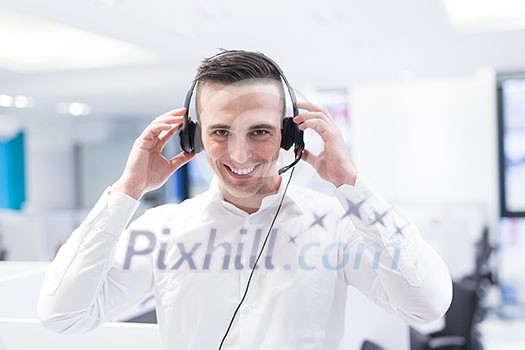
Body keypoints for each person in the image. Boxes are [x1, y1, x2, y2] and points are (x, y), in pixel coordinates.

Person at [37, 50, 452, 349]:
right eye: (220, 132)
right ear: (196, 137)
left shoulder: (338, 225)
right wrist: (126, 192)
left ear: (291, 134)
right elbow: (62, 316)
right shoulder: (162, 231)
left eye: (260, 131)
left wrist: (352, 185)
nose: (239, 155)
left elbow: (426, 305)